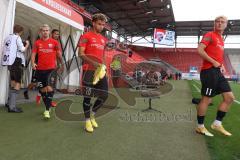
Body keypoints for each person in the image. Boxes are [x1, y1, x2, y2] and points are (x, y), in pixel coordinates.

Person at [196, 16, 235, 137]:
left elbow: (216, 55)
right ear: (214, 24)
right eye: (217, 22)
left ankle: (217, 124)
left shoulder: (221, 39)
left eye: (222, 22)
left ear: (225, 25)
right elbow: (200, 50)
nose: (219, 23)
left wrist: (221, 64)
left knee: (229, 98)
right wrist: (213, 62)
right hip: (209, 71)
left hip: (217, 71)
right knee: (206, 99)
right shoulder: (210, 34)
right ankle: (200, 127)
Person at [78, 13, 108, 133]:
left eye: (103, 25)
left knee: (104, 95)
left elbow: (103, 55)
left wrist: (104, 67)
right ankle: (86, 121)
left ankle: (92, 115)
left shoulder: (103, 39)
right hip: (88, 72)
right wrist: (93, 63)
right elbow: (81, 54)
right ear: (93, 23)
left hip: (100, 71)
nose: (101, 27)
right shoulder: (86, 36)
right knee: (87, 97)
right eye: (99, 24)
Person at [31, 24, 64, 119]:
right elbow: (33, 54)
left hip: (51, 69)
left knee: (49, 89)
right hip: (40, 70)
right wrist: (33, 63)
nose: (45, 32)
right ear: (41, 32)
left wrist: (62, 64)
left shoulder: (54, 42)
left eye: (47, 30)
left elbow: (59, 54)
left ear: (49, 32)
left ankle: (46, 110)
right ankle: (48, 106)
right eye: (43, 30)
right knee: (42, 90)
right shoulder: (37, 43)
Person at [2, 25, 29, 112]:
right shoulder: (17, 37)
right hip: (16, 61)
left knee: (13, 82)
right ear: (21, 32)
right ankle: (12, 107)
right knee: (17, 83)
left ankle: (9, 103)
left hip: (9, 62)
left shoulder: (8, 37)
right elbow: (22, 49)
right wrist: (27, 45)